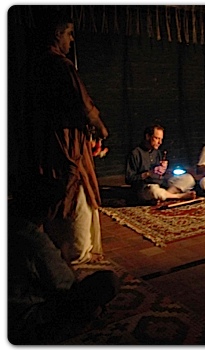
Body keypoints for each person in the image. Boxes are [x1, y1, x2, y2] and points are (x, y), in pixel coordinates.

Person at [25, 11, 109, 265]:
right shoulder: (60, 65)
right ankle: (75, 251)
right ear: (58, 34)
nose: (72, 40)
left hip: (47, 143)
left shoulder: (34, 65)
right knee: (73, 192)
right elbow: (83, 105)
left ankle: (53, 247)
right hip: (65, 144)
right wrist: (101, 128)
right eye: (69, 34)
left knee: (57, 189)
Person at [8, 176, 120, 344]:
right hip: (24, 321)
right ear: (49, 210)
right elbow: (65, 285)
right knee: (108, 281)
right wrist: (64, 260)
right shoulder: (35, 241)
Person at [125, 124, 197, 203]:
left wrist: (164, 170)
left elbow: (162, 176)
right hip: (145, 187)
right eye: (156, 138)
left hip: (161, 184)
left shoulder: (157, 152)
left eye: (161, 139)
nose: (160, 142)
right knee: (154, 191)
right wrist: (148, 174)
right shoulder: (135, 153)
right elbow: (129, 179)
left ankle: (164, 196)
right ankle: (178, 196)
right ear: (148, 136)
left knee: (188, 178)